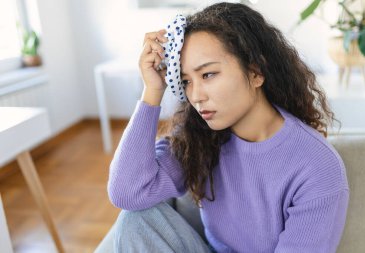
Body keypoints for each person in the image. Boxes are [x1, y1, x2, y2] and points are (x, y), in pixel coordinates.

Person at [107, 2, 350, 253]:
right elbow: (127, 193)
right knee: (134, 221)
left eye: (208, 74)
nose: (196, 96)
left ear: (255, 72)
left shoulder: (318, 166)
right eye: (186, 81)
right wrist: (153, 91)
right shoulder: (198, 137)